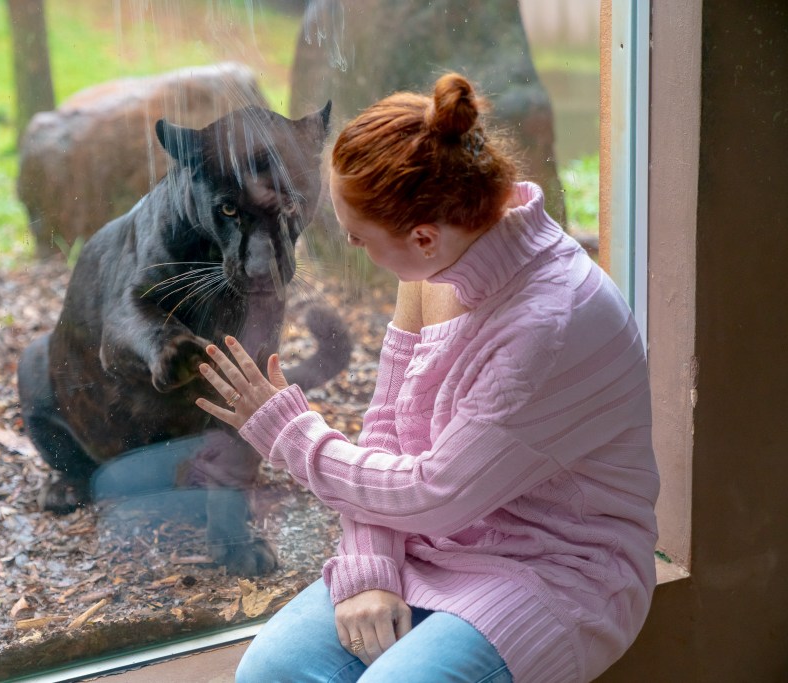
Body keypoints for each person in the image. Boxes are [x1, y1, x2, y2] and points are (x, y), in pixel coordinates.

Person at [195, 72, 659, 683]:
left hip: (556, 571)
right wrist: (368, 567)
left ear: (423, 236)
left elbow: (436, 494)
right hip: (430, 540)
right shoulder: (434, 266)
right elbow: (389, 428)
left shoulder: (549, 324)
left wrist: (292, 436)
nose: (354, 250)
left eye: (359, 239)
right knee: (271, 672)